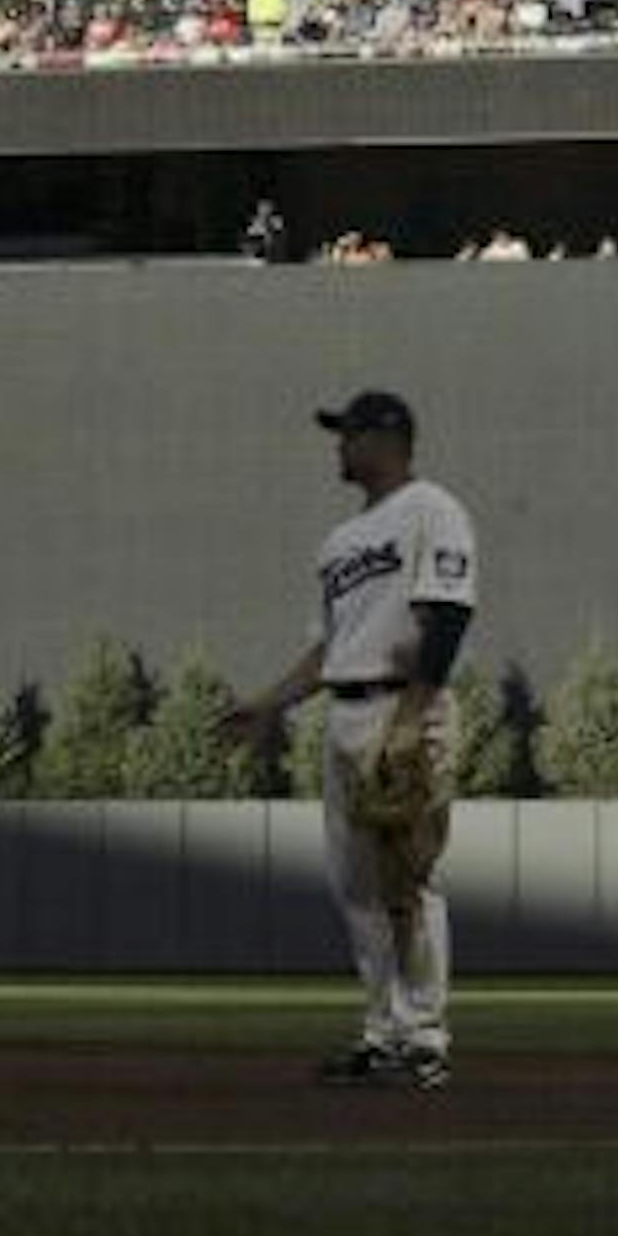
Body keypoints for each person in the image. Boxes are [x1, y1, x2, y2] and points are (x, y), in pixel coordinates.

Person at [226, 389, 477, 1090]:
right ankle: (382, 1033)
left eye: (348, 434)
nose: (338, 447)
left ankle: (424, 1039)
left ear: (385, 438)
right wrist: (268, 705)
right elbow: (329, 649)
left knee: (408, 882)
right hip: (343, 711)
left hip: (404, 706)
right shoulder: (339, 542)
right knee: (357, 888)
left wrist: (412, 719)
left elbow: (449, 615)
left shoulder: (433, 509)